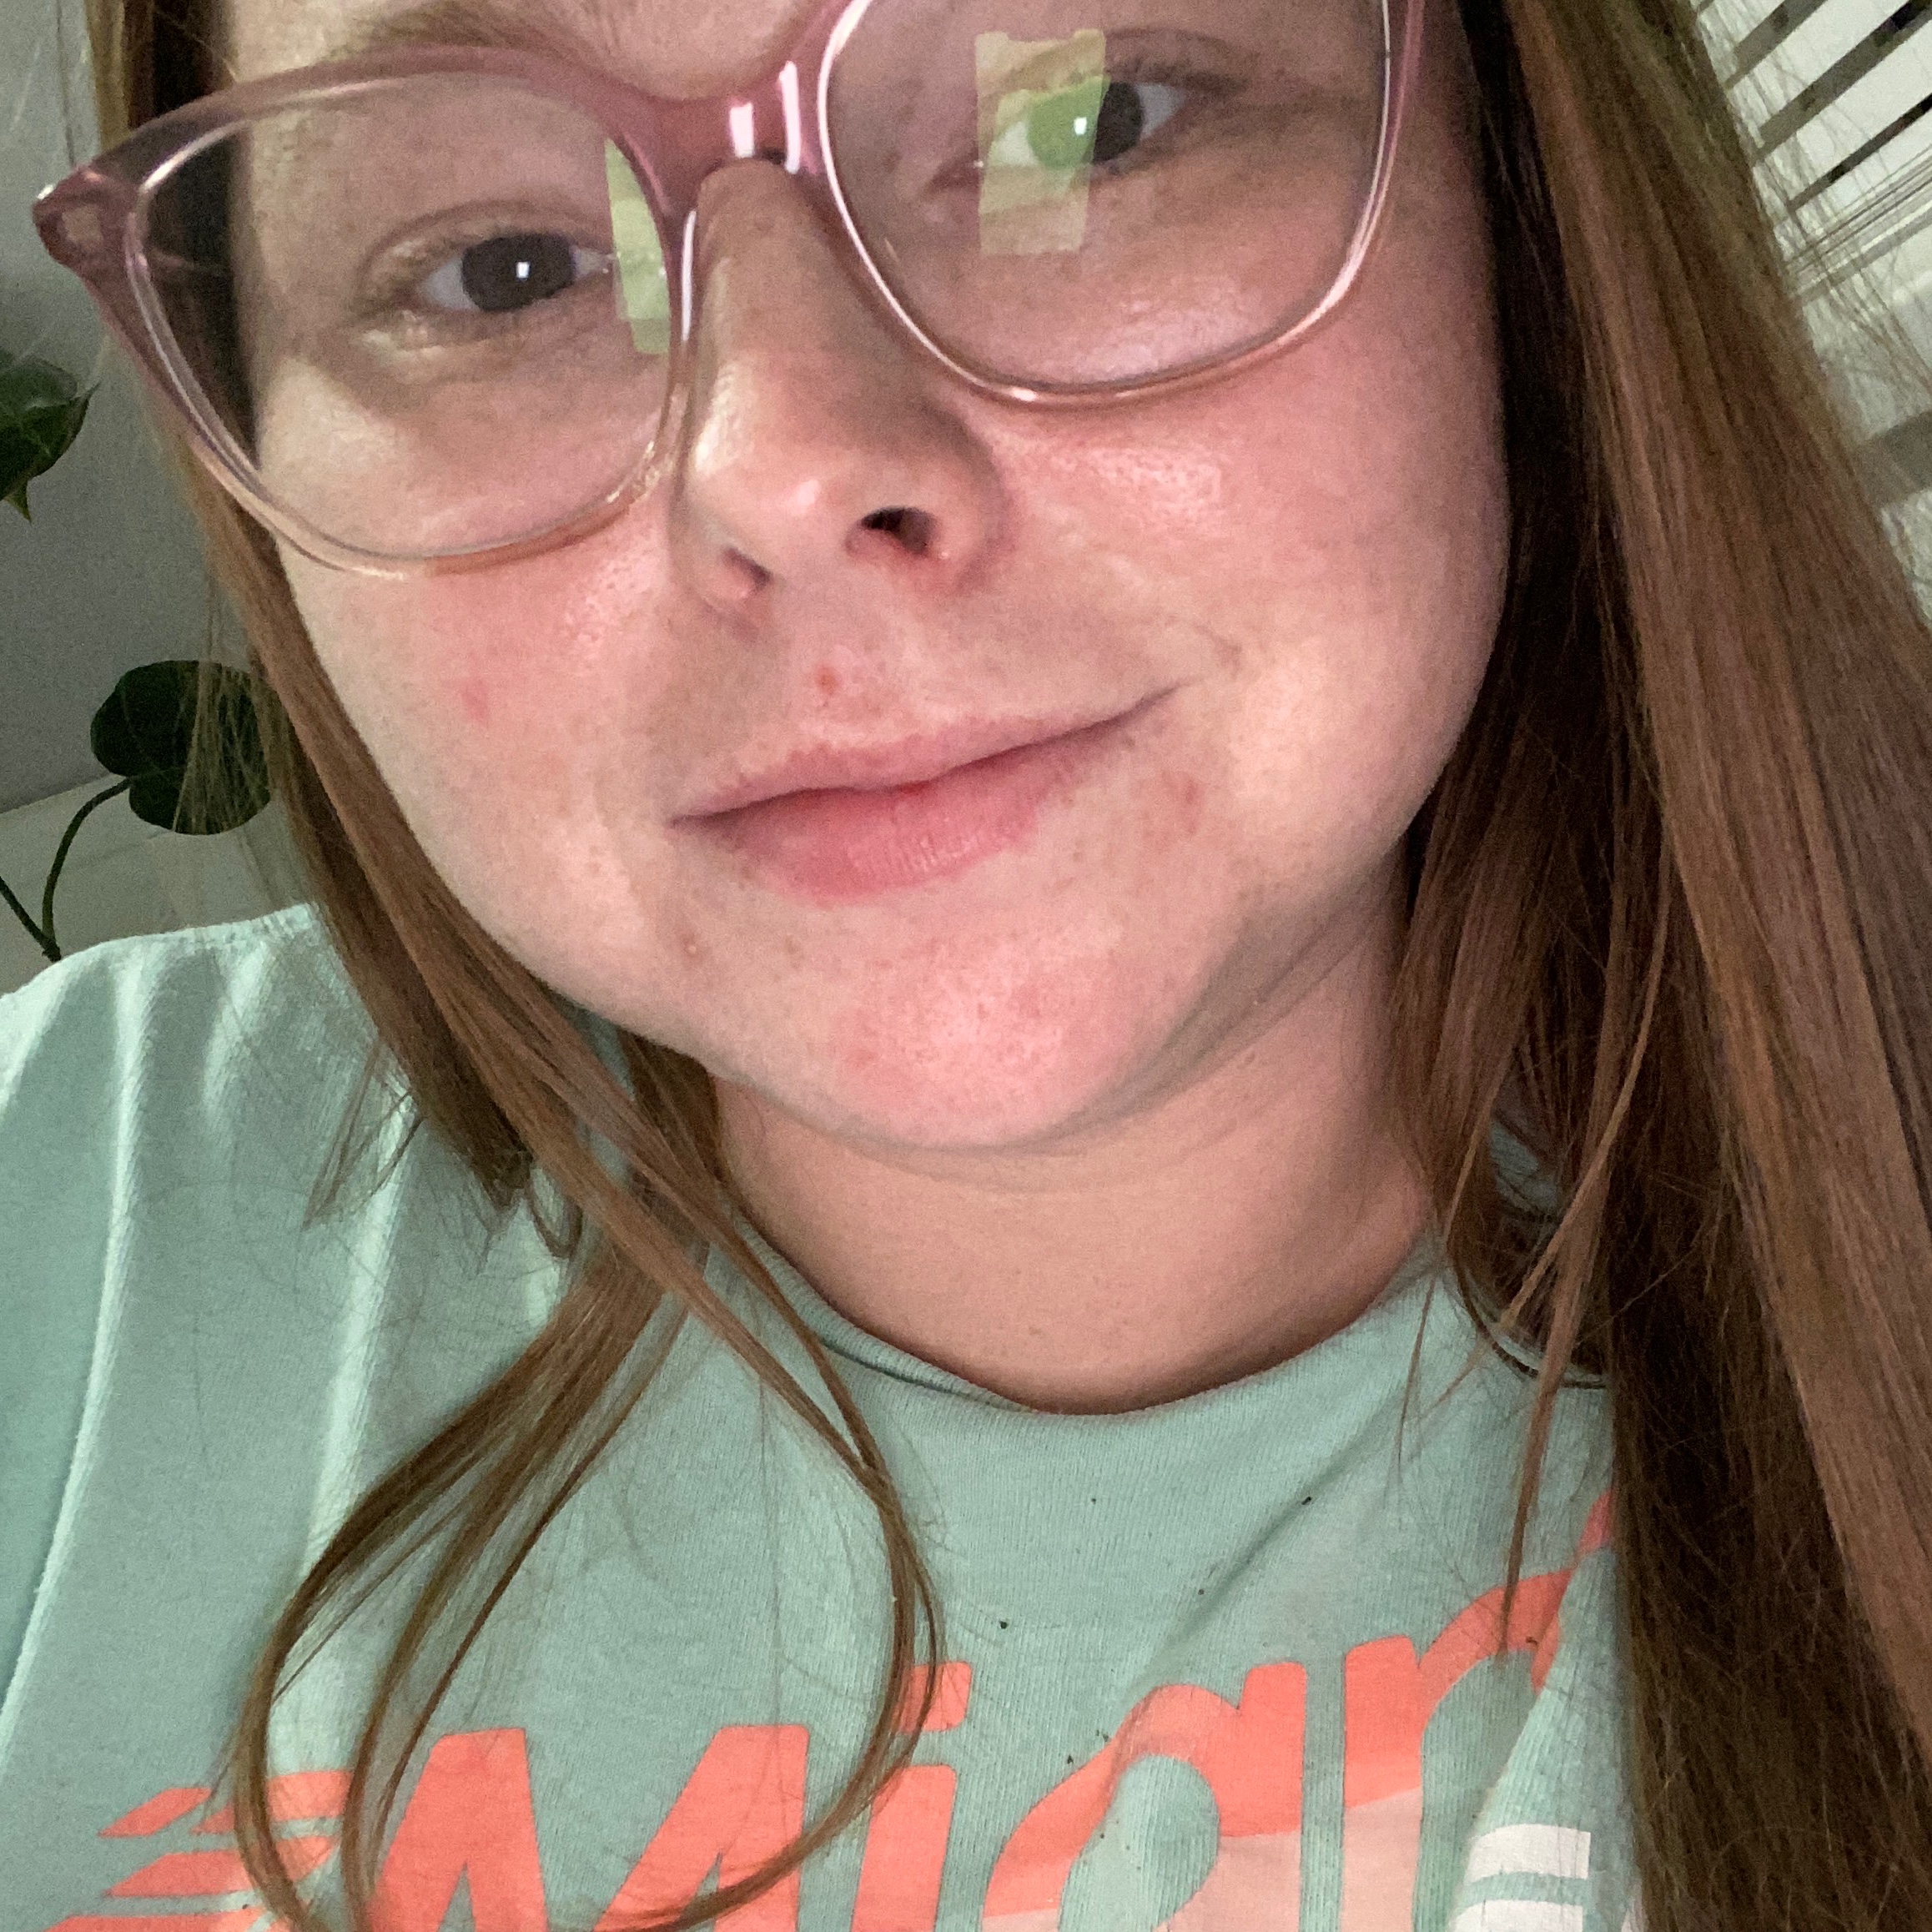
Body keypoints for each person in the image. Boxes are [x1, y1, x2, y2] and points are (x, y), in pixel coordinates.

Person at [6, 0, 1932, 1923]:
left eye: (1095, 122)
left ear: (1515, 195)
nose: (788, 463)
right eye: (503, 270)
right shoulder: (60, 1189)